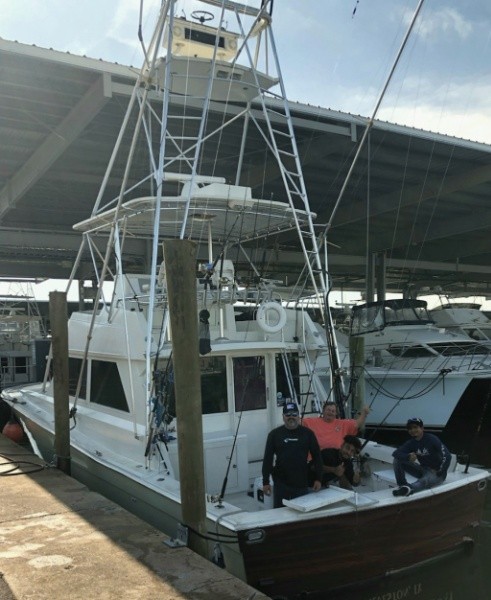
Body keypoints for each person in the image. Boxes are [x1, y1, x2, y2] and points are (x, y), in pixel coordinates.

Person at [262, 402, 323, 508]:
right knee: (280, 514)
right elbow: (268, 459)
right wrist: (265, 482)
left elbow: (317, 457)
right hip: (280, 484)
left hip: (301, 483)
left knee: (301, 515)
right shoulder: (274, 435)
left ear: (298, 416)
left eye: (294, 414)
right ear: (283, 417)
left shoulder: (308, 434)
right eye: (287, 415)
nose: (291, 417)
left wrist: (318, 478)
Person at [392, 417, 451, 497]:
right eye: (410, 428)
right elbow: (396, 453)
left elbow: (447, 456)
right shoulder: (411, 443)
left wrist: (440, 471)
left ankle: (408, 489)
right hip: (422, 470)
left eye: (415, 427)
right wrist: (408, 457)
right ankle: (402, 484)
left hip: (437, 473)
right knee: (397, 460)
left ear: (422, 428)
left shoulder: (432, 439)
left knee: (424, 481)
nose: (413, 430)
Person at [303, 401, 370, 450]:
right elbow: (299, 422)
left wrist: (364, 413)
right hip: (316, 460)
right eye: (328, 410)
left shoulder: (342, 423)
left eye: (333, 411)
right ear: (323, 411)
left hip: (335, 460)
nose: (330, 412)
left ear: (336, 414)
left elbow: (357, 424)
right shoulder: (312, 421)